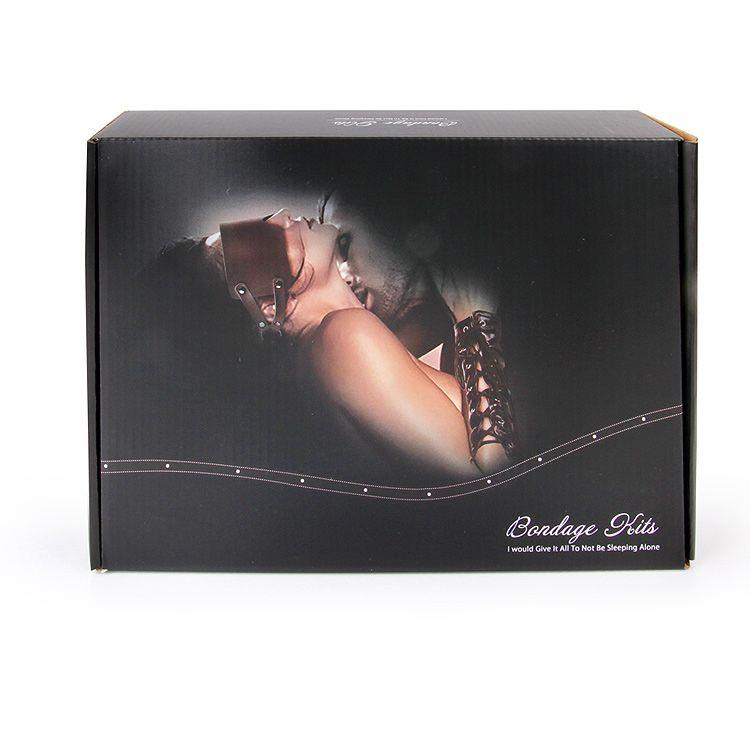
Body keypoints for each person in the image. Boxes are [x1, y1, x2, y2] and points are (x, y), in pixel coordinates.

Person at [204, 209, 515, 480]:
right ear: (268, 307)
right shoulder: (343, 336)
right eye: (261, 237)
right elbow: (486, 482)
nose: (285, 217)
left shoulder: (329, 349)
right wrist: (474, 320)